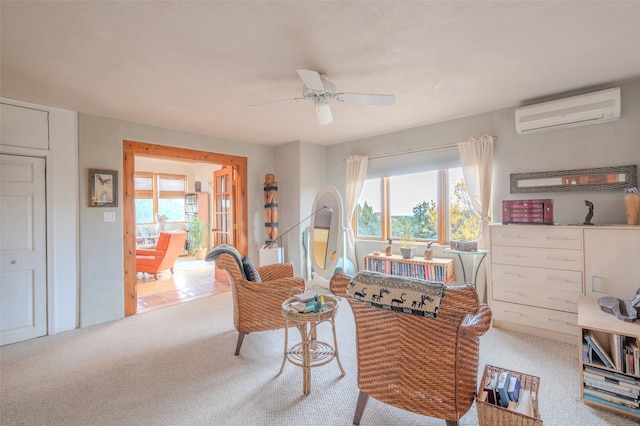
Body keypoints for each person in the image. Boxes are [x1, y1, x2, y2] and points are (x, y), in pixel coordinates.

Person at [264, 174, 278, 242]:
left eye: (268, 178)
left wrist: (268, 204)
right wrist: (265, 188)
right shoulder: (266, 187)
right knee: (268, 223)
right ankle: (270, 239)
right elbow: (265, 199)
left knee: (273, 224)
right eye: (266, 178)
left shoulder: (274, 184)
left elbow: (271, 197)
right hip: (268, 206)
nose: (266, 179)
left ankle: (274, 240)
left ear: (272, 179)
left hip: (273, 206)